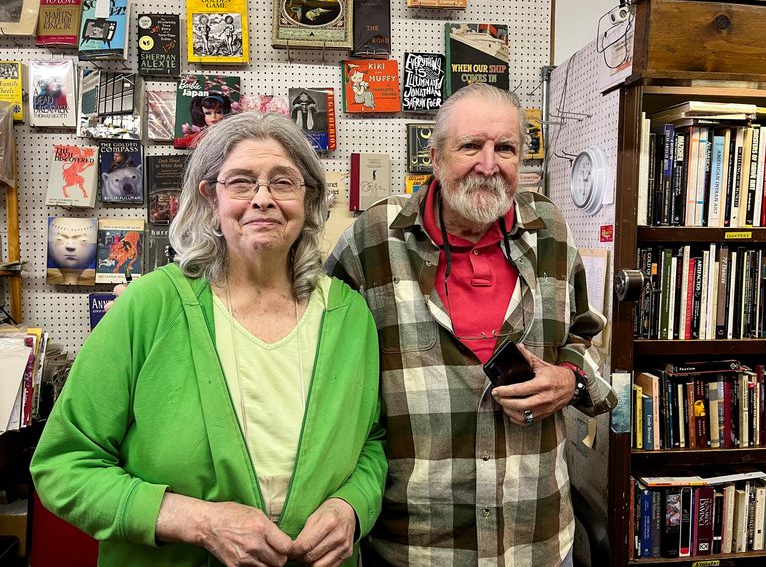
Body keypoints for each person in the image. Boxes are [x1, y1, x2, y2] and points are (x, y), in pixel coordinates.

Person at [31, 112, 387, 567]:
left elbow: (372, 442)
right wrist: (198, 521)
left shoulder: (348, 314)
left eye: (283, 182)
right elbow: (63, 465)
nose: (263, 199)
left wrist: (352, 506)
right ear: (210, 197)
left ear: (308, 198)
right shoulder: (151, 306)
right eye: (241, 182)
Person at [325, 83, 617, 566]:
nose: (488, 163)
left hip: (536, 539)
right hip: (418, 545)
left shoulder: (550, 228)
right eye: (470, 146)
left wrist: (570, 378)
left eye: (504, 148)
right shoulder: (374, 239)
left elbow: (584, 334)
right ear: (435, 157)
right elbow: (321, 358)